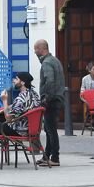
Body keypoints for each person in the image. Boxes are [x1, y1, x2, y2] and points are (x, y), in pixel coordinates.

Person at [0, 72, 40, 168]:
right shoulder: (33, 94)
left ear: (22, 82)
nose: (14, 81)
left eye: (16, 79)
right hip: (30, 127)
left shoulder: (20, 98)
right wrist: (0, 111)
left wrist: (4, 100)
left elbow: (9, 118)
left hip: (20, 129)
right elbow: (15, 107)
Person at [34, 39, 65, 167]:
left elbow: (50, 81)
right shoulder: (55, 60)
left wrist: (46, 98)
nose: (35, 52)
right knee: (48, 129)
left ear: (42, 49)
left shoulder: (46, 63)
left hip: (51, 101)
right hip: (57, 99)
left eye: (36, 49)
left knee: (51, 129)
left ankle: (55, 157)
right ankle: (47, 155)